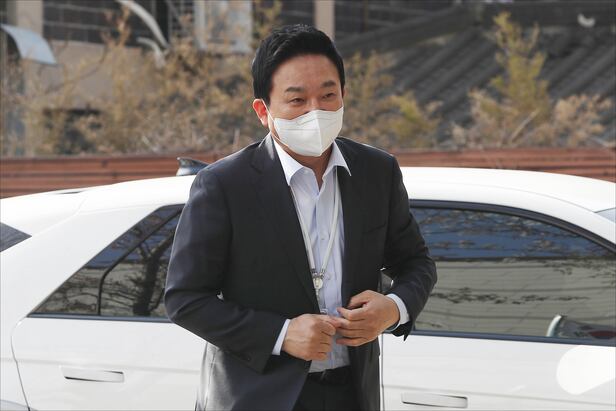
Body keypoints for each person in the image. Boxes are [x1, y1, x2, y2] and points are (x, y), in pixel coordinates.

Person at [164, 24, 437, 411]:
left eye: (327, 95)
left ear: (343, 95)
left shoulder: (377, 171)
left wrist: (394, 308)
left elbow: (416, 262)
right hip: (258, 398)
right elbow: (185, 298)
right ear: (263, 111)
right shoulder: (224, 185)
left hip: (352, 393)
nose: (315, 112)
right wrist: (282, 334)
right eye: (297, 100)